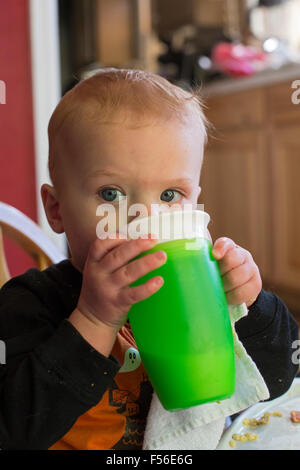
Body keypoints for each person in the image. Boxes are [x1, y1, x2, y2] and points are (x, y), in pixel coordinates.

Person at [0, 69, 298, 450]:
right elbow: (12, 431)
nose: (146, 218)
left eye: (171, 196)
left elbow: (275, 381)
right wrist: (94, 318)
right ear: (56, 210)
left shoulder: (199, 291)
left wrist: (250, 305)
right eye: (111, 193)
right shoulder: (28, 303)